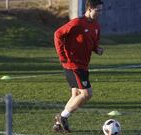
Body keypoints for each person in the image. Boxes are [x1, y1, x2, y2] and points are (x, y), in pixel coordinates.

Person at [53, 0, 104, 132]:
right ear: (89, 9)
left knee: (76, 94)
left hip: (83, 64)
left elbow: (92, 43)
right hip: (73, 63)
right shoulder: (77, 23)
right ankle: (63, 117)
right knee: (87, 94)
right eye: (97, 10)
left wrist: (96, 49)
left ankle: (59, 123)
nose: (99, 13)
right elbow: (58, 34)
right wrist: (62, 55)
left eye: (101, 10)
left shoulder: (97, 26)